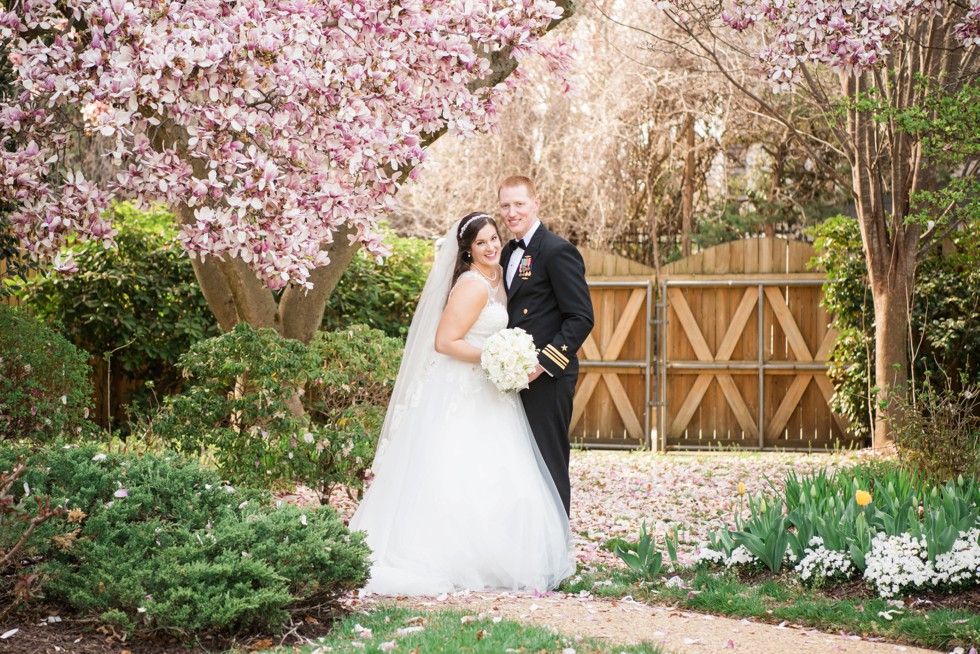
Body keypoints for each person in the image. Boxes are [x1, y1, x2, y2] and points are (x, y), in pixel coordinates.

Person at [349, 212, 575, 596]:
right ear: (468, 252)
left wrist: (505, 358)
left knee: (499, 474)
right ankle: (447, 556)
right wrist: (494, 356)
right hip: (463, 388)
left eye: (493, 239)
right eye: (481, 243)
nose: (490, 248)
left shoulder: (498, 277)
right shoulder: (472, 285)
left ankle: (492, 557)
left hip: (491, 391)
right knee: (457, 468)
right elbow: (445, 342)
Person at [499, 176, 594, 516]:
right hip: (512, 376)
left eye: (519, 204)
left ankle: (557, 552)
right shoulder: (506, 252)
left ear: (536, 203)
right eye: (505, 205)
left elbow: (580, 317)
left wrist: (543, 364)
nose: (512, 212)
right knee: (519, 465)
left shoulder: (557, 251)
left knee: (548, 461)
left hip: (548, 378)